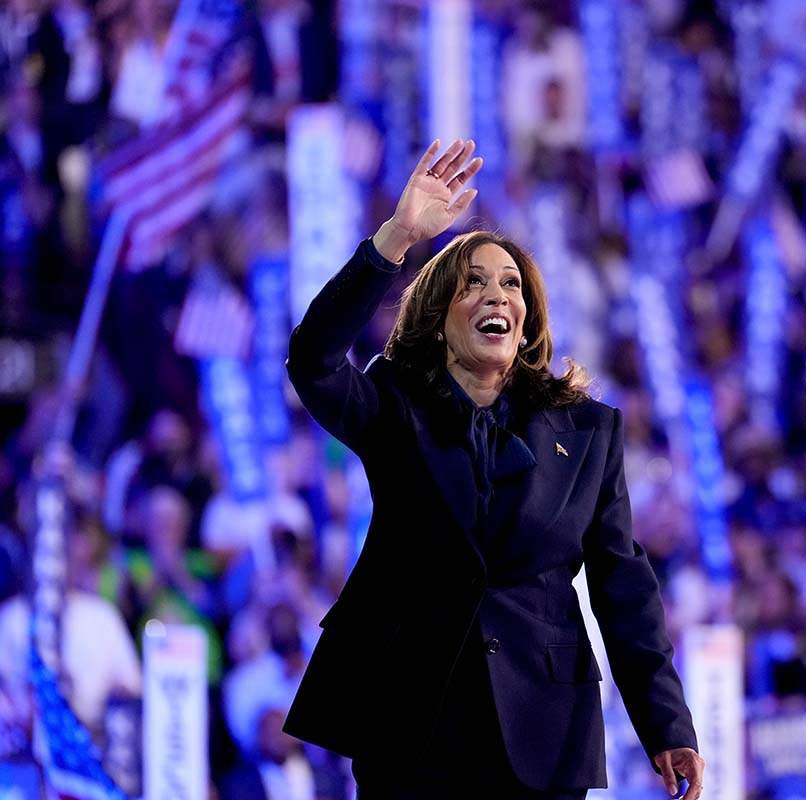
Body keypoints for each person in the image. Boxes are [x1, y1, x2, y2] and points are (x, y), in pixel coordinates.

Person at [282, 139, 704, 799]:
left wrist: (666, 724)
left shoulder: (590, 434)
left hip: (541, 733)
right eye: (472, 282)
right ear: (438, 319)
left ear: (527, 318)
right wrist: (394, 239)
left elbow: (625, 591)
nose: (493, 292)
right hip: (408, 724)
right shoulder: (393, 404)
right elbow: (311, 361)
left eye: (510, 282)